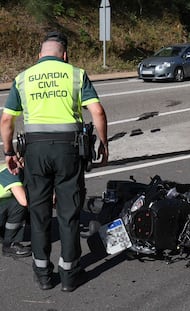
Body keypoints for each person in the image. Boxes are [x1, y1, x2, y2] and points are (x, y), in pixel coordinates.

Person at [0, 31, 109, 292]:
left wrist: (9, 152)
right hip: (68, 151)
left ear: (39, 56)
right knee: (69, 214)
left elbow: (6, 120)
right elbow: (97, 112)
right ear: (65, 55)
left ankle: (43, 275)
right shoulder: (76, 74)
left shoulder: (23, 78)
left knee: (38, 215)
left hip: (35, 152)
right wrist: (104, 144)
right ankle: (70, 276)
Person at [0, 161, 31, 258]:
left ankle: (4, 234)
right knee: (18, 204)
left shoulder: (6, 167)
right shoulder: (11, 171)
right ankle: (10, 244)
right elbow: (24, 201)